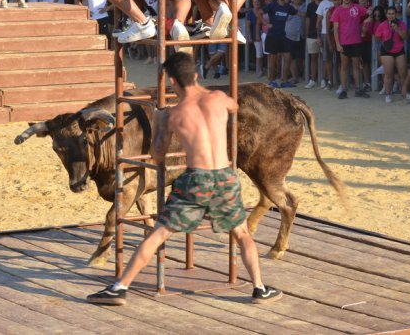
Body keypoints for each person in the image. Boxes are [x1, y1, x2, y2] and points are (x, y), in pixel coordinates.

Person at [87, 52, 283, 306]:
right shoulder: (219, 99)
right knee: (242, 234)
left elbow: (157, 156)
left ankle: (120, 288)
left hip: (196, 179)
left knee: (158, 234)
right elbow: (233, 107)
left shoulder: (174, 115)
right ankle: (259, 288)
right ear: (196, 74)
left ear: (172, 81)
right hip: (224, 176)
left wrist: (160, 122)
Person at [330, 0, 369, 99]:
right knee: (344, 67)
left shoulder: (357, 7)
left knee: (356, 66)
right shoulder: (338, 10)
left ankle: (357, 89)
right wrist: (338, 44)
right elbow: (335, 29)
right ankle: (344, 89)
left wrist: (369, 18)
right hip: (344, 42)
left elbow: (368, 12)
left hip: (356, 41)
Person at [264, 0, 298, 88]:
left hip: (283, 36)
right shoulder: (272, 5)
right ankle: (271, 81)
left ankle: (284, 81)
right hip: (272, 35)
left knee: (288, 57)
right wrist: (266, 24)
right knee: (273, 59)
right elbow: (259, 12)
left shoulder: (288, 7)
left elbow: (297, 13)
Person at [375, 6, 408, 103]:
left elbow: (404, 37)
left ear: (396, 14)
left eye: (393, 13)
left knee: (402, 73)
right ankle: (388, 94)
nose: (391, 15)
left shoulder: (401, 24)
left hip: (399, 50)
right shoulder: (382, 25)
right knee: (388, 74)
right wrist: (386, 42)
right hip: (386, 51)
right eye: (389, 14)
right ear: (386, 15)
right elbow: (378, 37)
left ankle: (404, 92)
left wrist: (397, 29)